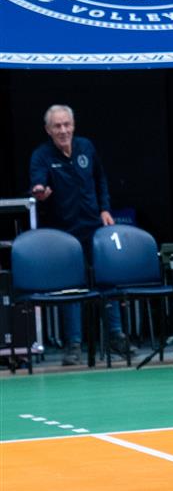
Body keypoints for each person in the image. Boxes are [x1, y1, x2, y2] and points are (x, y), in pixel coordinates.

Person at [28, 105, 127, 365]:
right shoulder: (42, 155)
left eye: (67, 125)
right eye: (57, 126)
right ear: (48, 130)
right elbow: (37, 182)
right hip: (65, 233)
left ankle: (116, 337)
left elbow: (100, 179)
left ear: (73, 125)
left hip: (94, 226)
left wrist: (105, 208)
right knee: (72, 286)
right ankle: (73, 345)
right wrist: (39, 191)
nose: (63, 130)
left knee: (108, 279)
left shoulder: (86, 147)